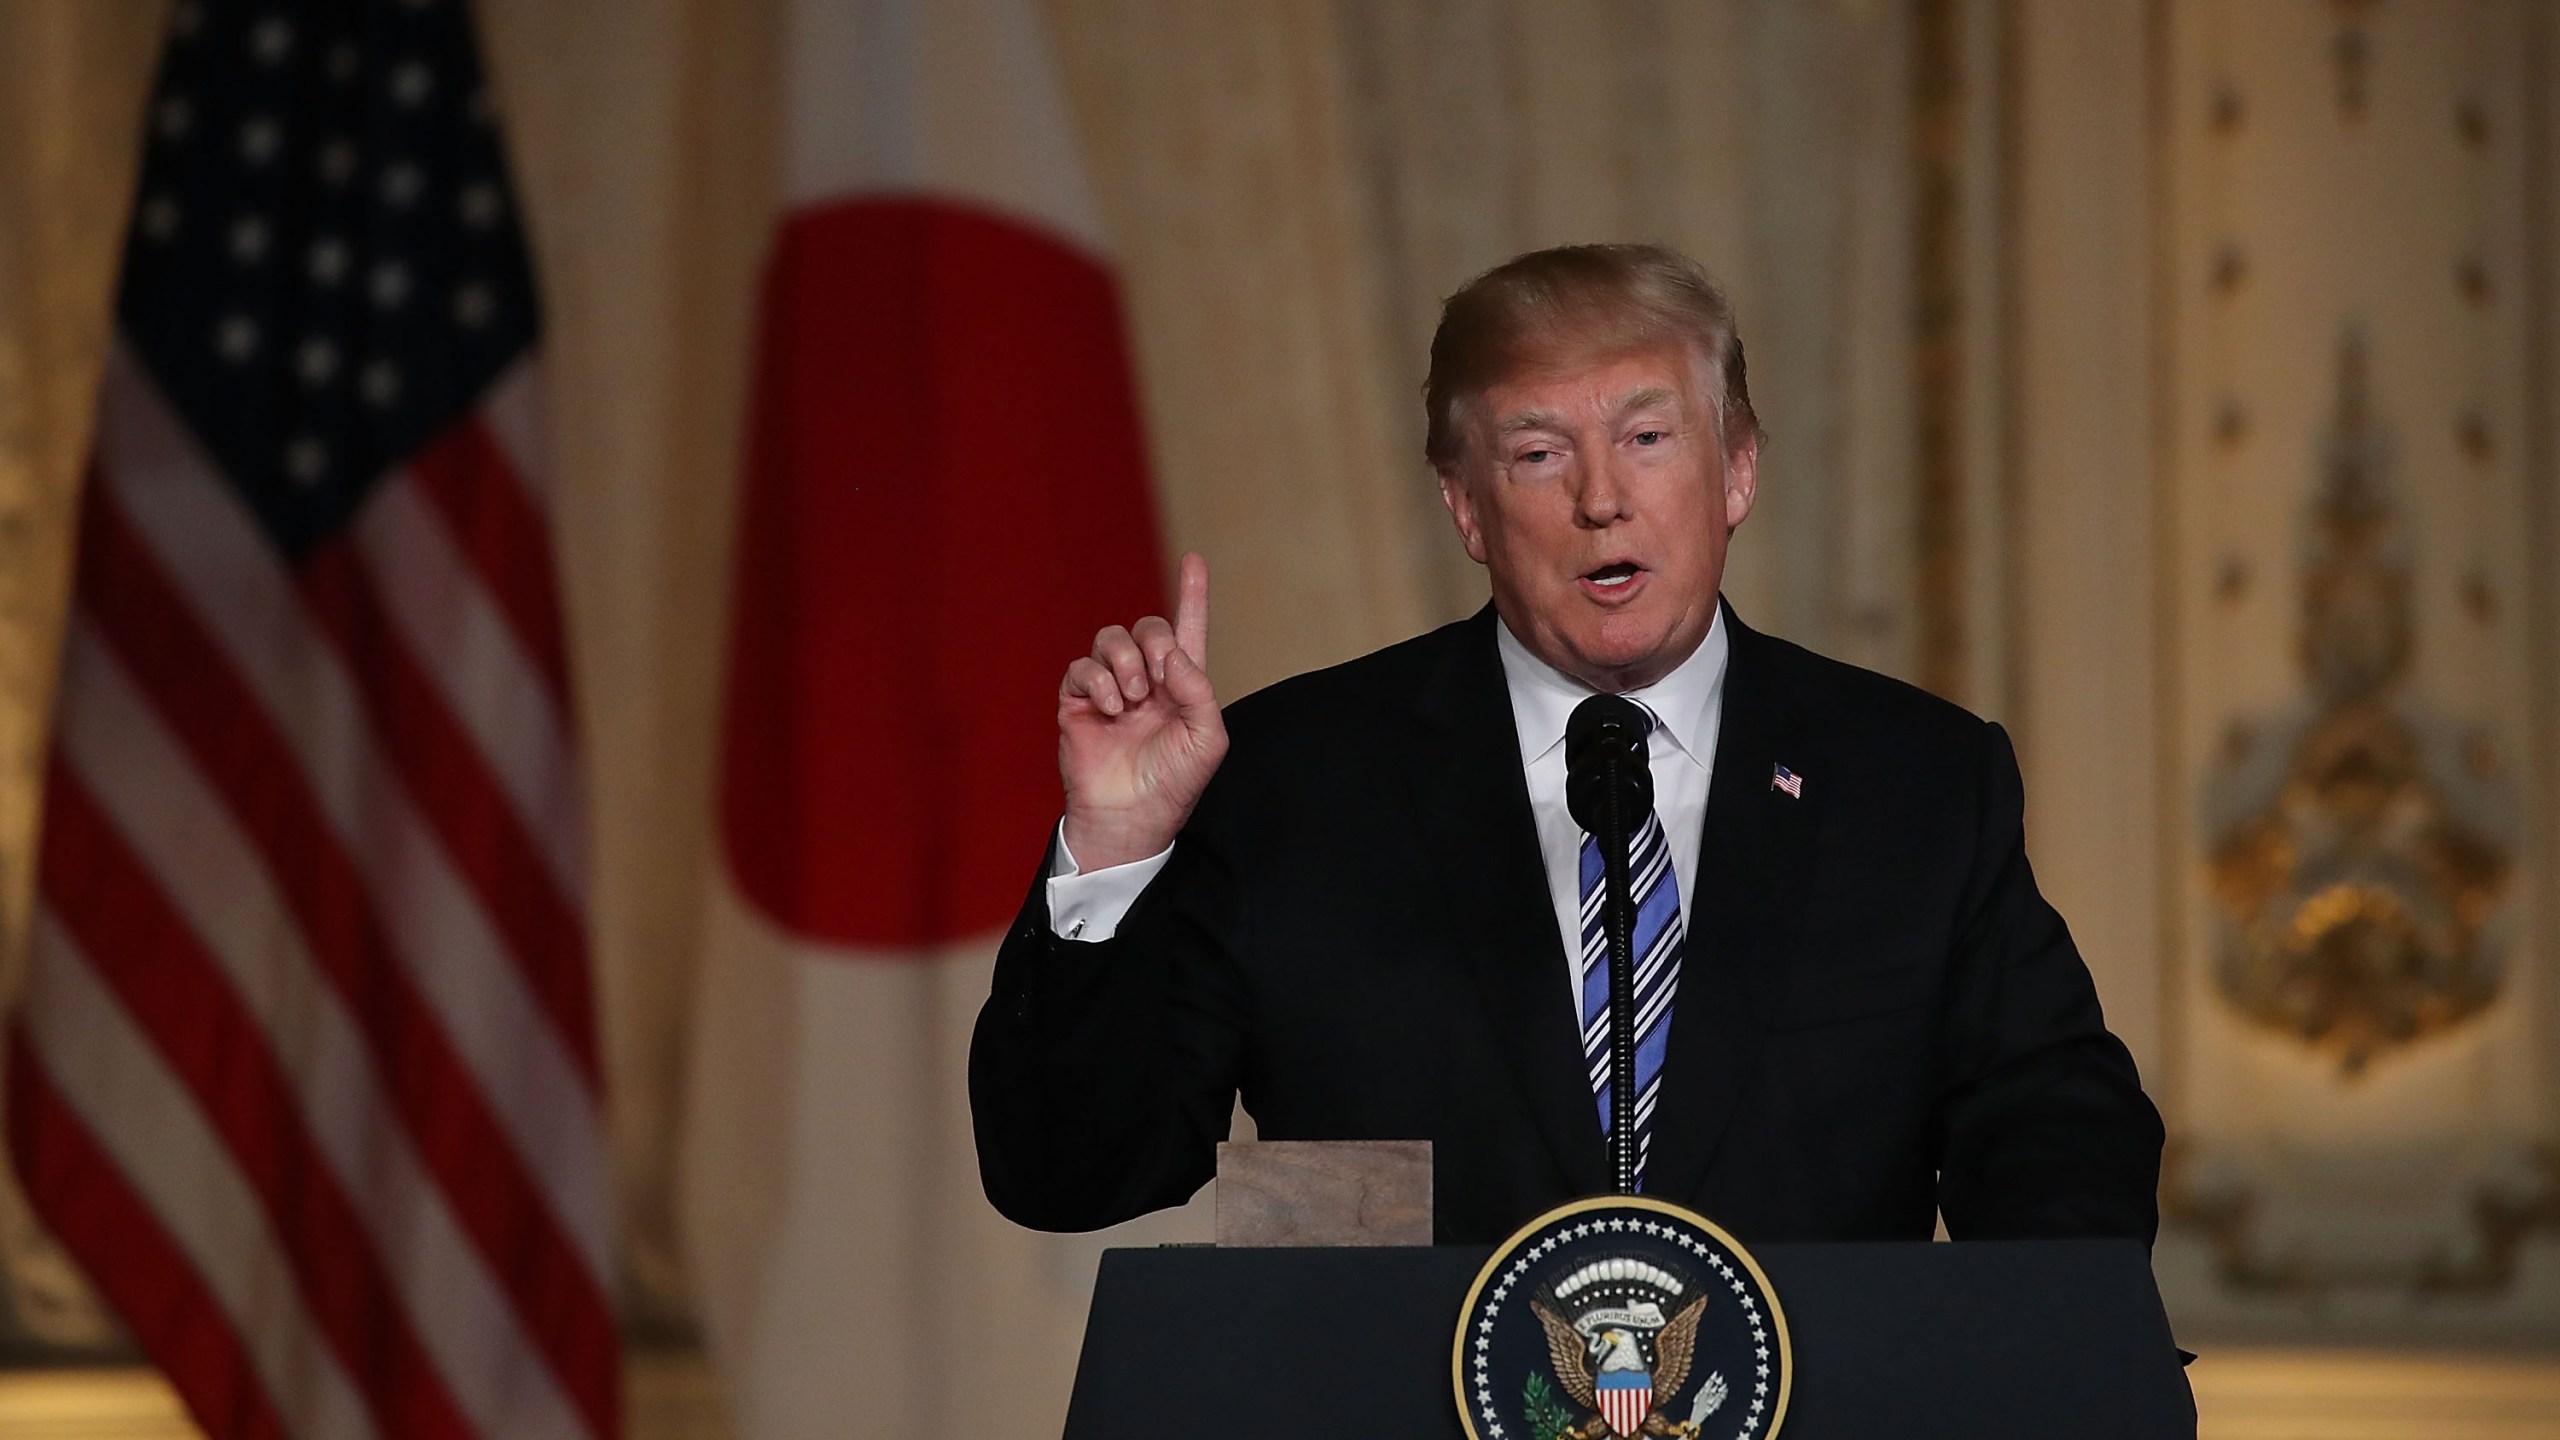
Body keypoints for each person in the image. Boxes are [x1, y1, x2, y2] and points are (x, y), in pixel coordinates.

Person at [969, 243, 2163, 1246]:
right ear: (1465, 506)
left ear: (1736, 468)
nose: (1602, 498)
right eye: (1538, 455)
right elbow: (1072, 1175)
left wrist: (2052, 1356)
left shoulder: (1912, 781)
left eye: (1648, 439)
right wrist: (1114, 851)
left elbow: (2056, 1129)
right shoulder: (1292, 780)